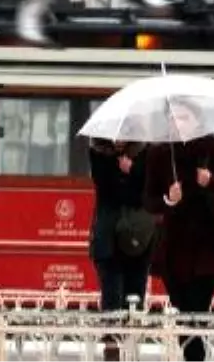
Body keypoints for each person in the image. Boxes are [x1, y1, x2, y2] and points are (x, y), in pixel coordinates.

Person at [144, 98, 214, 362]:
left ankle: (195, 358)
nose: (177, 124)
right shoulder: (160, 154)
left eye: (183, 118)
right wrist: (169, 199)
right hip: (173, 249)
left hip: (207, 249)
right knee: (183, 315)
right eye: (172, 119)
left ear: (197, 121)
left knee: (196, 313)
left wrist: (211, 182)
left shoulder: (213, 151)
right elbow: (148, 201)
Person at [88, 139, 151, 361]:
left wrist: (132, 171)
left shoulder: (144, 152)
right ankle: (112, 351)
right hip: (109, 238)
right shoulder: (98, 152)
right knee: (112, 299)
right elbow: (109, 190)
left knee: (134, 298)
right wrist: (123, 172)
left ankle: (132, 350)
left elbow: (145, 193)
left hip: (137, 238)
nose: (118, 139)